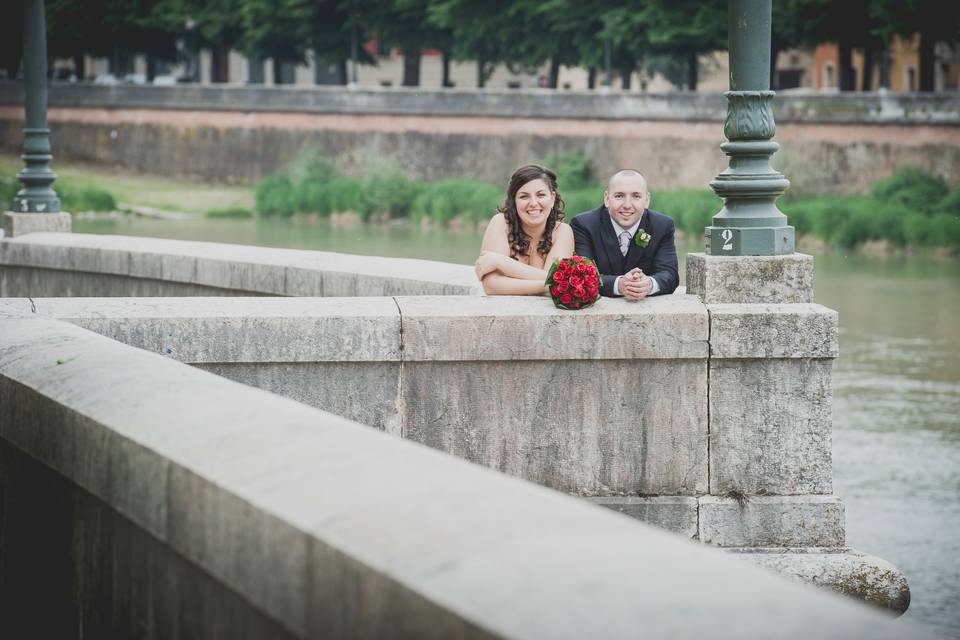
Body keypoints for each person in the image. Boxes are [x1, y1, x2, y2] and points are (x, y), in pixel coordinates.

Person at [570, 169, 678, 300]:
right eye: (619, 196)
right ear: (607, 198)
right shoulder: (583, 225)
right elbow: (582, 276)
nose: (627, 205)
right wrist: (619, 284)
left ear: (647, 200)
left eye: (636, 196)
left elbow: (670, 274)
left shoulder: (662, 225)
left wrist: (648, 284)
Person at [475, 164, 575, 295]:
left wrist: (500, 262)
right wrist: (548, 285)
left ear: (552, 198)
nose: (533, 203)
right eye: (524, 196)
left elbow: (559, 279)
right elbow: (491, 286)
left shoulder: (563, 232)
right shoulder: (500, 223)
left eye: (540, 195)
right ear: (514, 201)